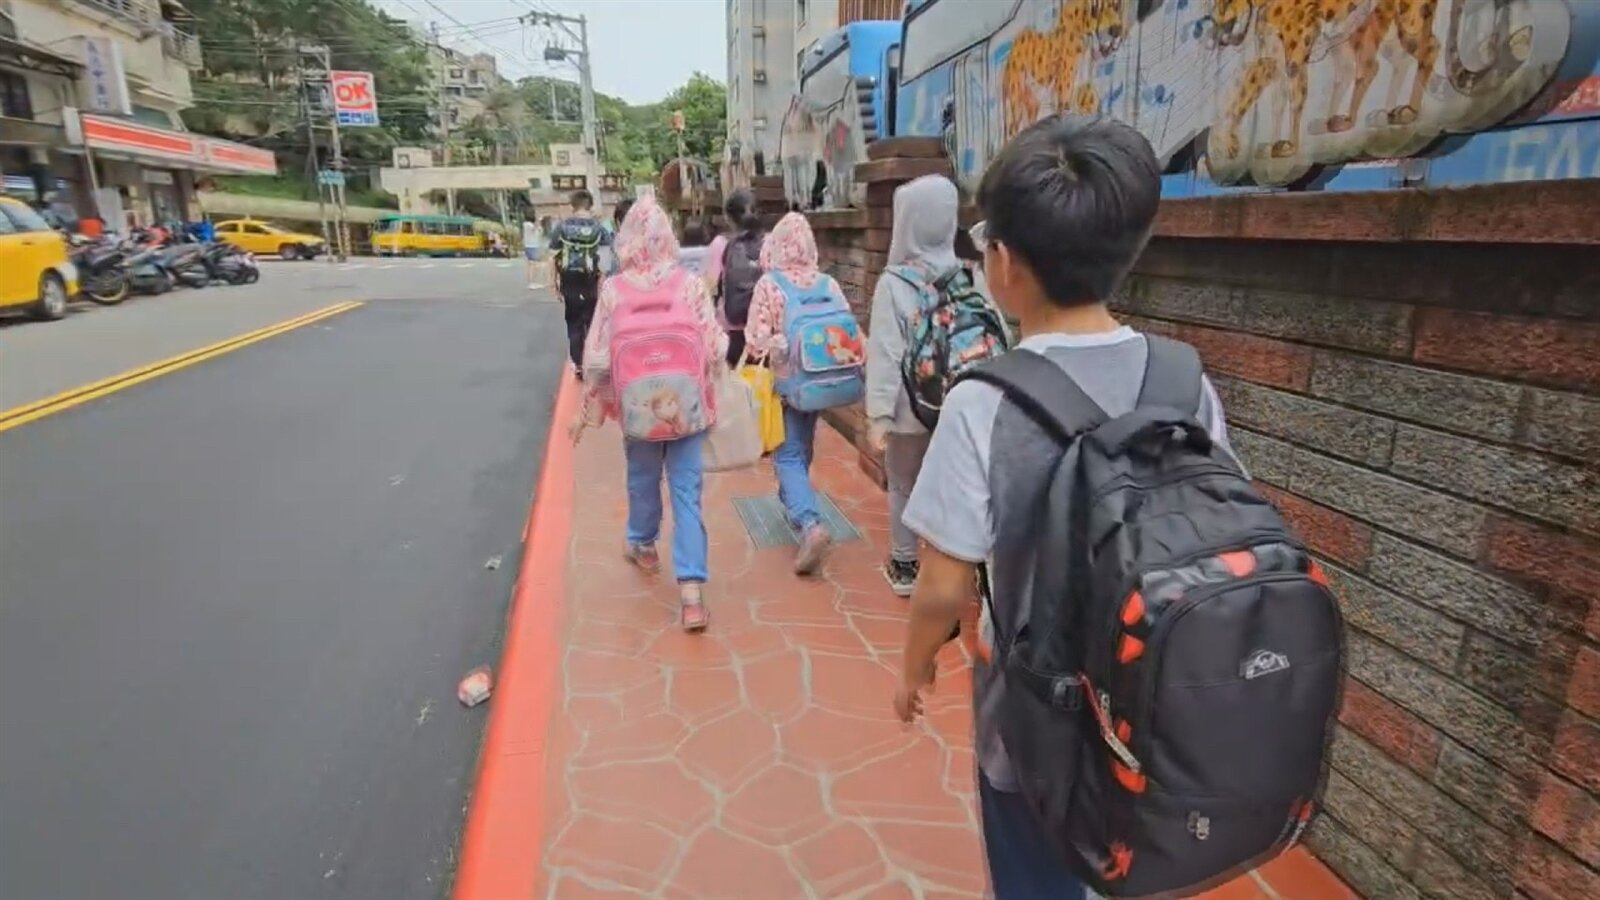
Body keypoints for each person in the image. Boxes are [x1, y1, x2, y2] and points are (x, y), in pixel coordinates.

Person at [892, 115, 1237, 898]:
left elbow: (945, 587)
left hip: (1033, 724)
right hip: (1154, 698)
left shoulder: (983, 401)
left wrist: (912, 669)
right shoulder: (1186, 381)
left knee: (1036, 874)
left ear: (1003, 264)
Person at [569, 197, 727, 631]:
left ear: (627, 239)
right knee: (687, 495)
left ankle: (642, 544)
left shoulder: (614, 289)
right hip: (688, 410)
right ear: (667, 238)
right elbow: (715, 347)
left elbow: (598, 358)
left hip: (637, 411)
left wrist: (592, 406)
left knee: (641, 480)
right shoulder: (689, 284)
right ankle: (692, 595)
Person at [864, 174, 962, 597]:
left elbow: (885, 354)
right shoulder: (970, 276)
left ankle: (906, 567)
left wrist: (879, 416)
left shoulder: (895, 283)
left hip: (909, 409)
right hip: (962, 403)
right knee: (957, 482)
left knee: (904, 483)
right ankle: (959, 564)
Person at [745, 212, 857, 576]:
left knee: (787, 453)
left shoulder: (770, 285)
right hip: (825, 381)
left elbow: (755, 338)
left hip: (787, 384)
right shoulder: (827, 283)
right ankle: (795, 502)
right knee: (803, 444)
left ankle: (810, 523)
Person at [549, 190, 611, 374]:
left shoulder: (561, 227)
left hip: (569, 280)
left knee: (574, 321)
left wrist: (553, 283)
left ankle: (578, 364)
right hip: (591, 280)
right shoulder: (600, 229)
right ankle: (592, 360)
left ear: (573, 205)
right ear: (590, 205)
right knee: (592, 322)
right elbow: (605, 262)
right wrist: (602, 285)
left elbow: (552, 258)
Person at [715, 189, 764, 367]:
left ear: (728, 218)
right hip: (765, 334)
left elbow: (713, 288)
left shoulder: (721, 246)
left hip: (734, 332)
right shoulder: (771, 242)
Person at [522, 214, 545, 286]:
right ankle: (532, 283)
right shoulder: (527, 224)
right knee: (533, 265)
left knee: (532, 265)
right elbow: (534, 228)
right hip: (531, 246)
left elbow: (539, 232)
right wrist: (538, 220)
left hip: (533, 246)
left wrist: (539, 225)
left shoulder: (531, 225)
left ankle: (533, 282)